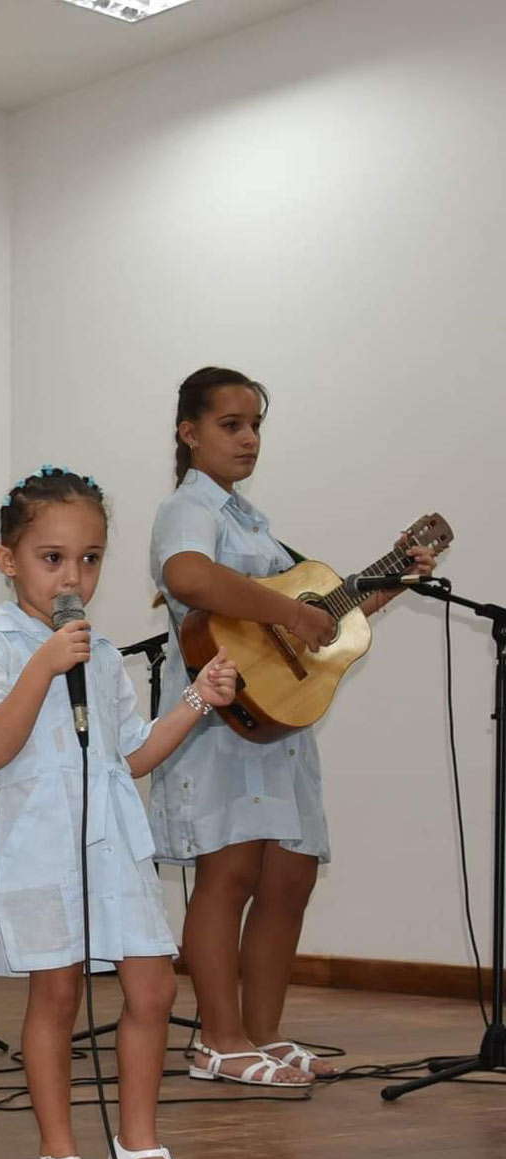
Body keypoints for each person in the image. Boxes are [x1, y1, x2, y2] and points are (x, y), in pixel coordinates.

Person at [0, 468, 239, 1159]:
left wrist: (194, 701)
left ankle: (137, 1146)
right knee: (57, 993)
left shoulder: (104, 653)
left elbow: (132, 754)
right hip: (43, 847)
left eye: (89, 557)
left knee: (153, 987)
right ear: (6, 558)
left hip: (113, 842)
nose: (72, 576)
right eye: (52, 558)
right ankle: (58, 1156)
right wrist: (44, 663)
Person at [148, 368, 438, 1085]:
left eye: (255, 426)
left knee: (288, 875)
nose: (247, 438)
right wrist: (287, 611)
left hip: (277, 723)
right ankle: (216, 1039)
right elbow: (188, 577)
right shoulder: (189, 507)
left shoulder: (253, 523)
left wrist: (395, 577)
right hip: (220, 713)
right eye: (230, 424)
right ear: (189, 432)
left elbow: (314, 628)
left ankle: (264, 1032)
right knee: (230, 870)